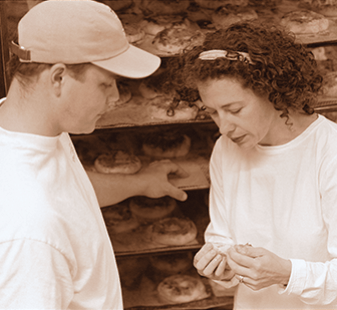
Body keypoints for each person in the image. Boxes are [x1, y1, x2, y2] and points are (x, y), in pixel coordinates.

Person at [0, 0, 188, 309]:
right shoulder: (30, 235)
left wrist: (140, 183)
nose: (115, 97)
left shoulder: (31, 124)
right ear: (58, 78)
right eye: (106, 83)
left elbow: (66, 192)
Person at [168, 21, 337, 309]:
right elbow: (222, 238)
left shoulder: (329, 152)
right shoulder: (226, 149)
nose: (223, 127)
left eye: (234, 110)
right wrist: (221, 266)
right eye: (213, 113)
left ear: (273, 92)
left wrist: (286, 273)